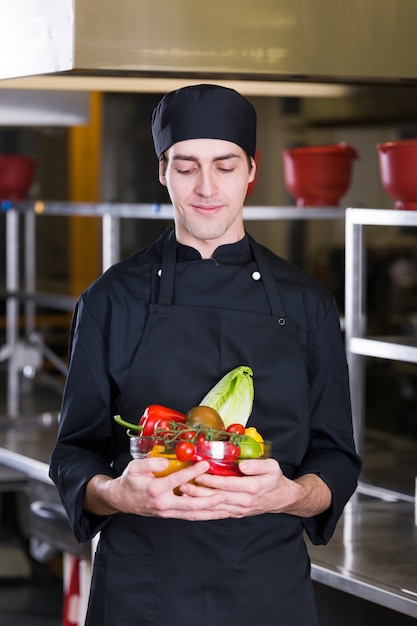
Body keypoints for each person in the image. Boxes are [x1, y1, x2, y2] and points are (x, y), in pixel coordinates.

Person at [50, 83, 361, 626]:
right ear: (163, 172)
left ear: (251, 171)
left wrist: (288, 495)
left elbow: (335, 459)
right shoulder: (111, 300)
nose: (207, 187)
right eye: (187, 166)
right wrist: (118, 493)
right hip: (142, 589)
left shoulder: (307, 303)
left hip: (268, 590)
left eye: (225, 164)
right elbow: (73, 456)